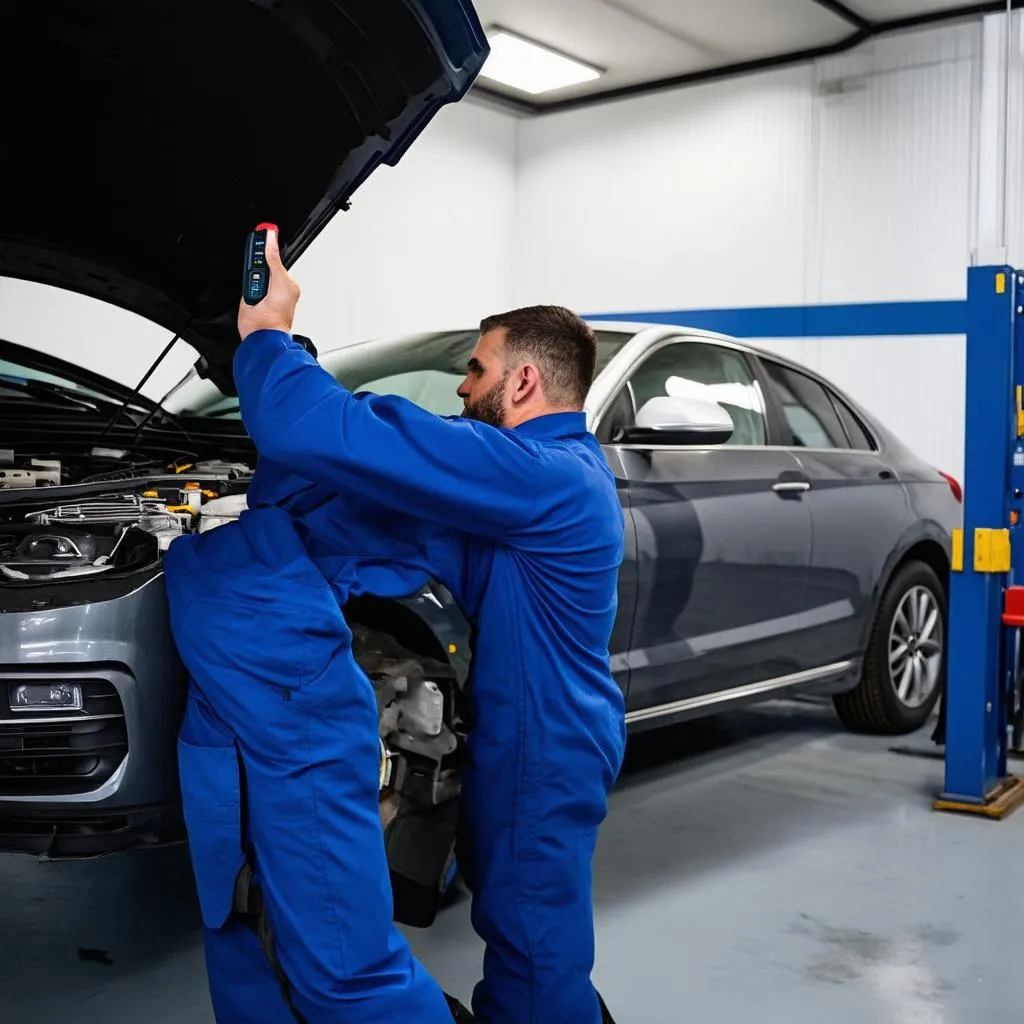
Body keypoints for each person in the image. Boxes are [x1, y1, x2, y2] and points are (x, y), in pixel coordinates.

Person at [166, 227, 626, 1024]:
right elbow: (375, 504)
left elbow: (351, 436)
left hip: (547, 751)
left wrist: (271, 339)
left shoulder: (545, 477)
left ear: (521, 382)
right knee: (523, 941)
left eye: (474, 371)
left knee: (535, 953)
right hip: (527, 737)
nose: (461, 389)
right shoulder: (524, 492)